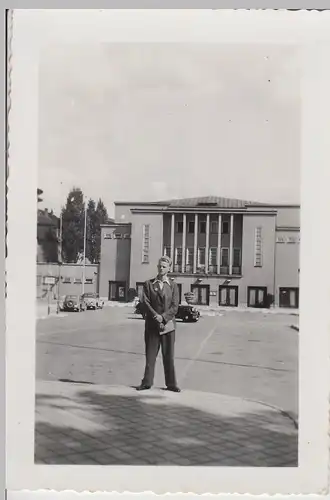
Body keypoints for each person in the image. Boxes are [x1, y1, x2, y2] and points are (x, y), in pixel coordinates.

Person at [136, 255, 181, 392]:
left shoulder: (173, 286)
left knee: (169, 356)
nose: (161, 268)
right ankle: (147, 382)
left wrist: (164, 318)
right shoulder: (148, 284)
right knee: (150, 356)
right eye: (159, 266)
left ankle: (171, 384)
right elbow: (146, 302)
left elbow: (175, 306)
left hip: (168, 326)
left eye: (164, 266)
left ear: (169, 268)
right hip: (152, 326)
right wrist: (156, 317)